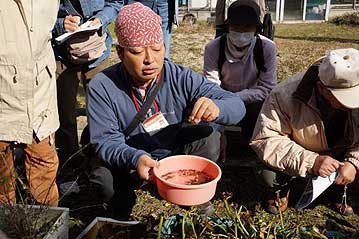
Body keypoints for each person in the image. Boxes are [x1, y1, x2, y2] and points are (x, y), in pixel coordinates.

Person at [86, 2, 246, 219]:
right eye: (136, 51)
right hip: (128, 158)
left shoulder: (180, 76)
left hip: (170, 152)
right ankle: (121, 204)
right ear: (120, 53)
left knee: (208, 136)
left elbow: (237, 106)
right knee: (104, 180)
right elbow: (106, 141)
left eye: (156, 48)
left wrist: (218, 107)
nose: (149, 60)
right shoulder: (102, 85)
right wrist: (136, 158)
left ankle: (191, 194)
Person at [250, 48, 359, 215]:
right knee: (268, 174)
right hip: (303, 154)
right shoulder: (283, 95)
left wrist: (353, 161)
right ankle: (283, 190)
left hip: (343, 154)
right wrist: (312, 161)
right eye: (343, 98)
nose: (350, 105)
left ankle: (337, 192)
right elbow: (266, 139)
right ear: (322, 88)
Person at [0, 1, 60, 206]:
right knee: (1, 174)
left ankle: (47, 226)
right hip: (3, 91)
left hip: (39, 89)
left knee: (43, 163)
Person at [52, 0, 122, 165]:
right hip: (62, 53)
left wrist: (101, 19)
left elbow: (116, 3)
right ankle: (70, 164)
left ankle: (98, 158)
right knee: (64, 112)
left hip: (96, 50)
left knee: (101, 111)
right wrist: (60, 24)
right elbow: (35, 18)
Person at [204, 0, 276, 143]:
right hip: (222, 101)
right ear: (228, 27)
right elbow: (210, 85)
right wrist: (227, 101)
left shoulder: (267, 48)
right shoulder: (213, 48)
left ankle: (253, 145)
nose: (242, 32)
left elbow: (268, 87)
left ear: (256, 29)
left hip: (253, 100)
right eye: (236, 26)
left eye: (248, 27)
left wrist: (238, 97)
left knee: (261, 112)